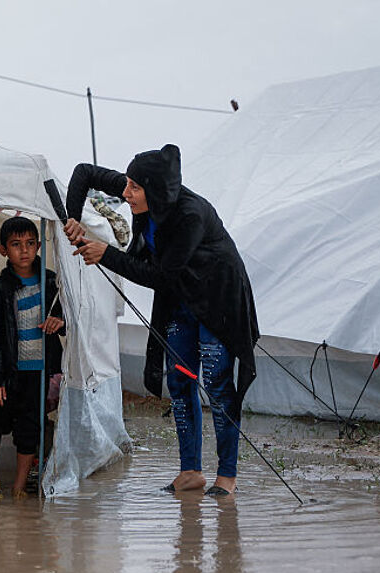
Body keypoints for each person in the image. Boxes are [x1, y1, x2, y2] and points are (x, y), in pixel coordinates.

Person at [63, 144, 259, 496]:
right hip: (180, 301)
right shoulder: (135, 188)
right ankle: (191, 471)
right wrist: (73, 216)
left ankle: (226, 476)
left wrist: (106, 254)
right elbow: (83, 172)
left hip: (217, 302)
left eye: (134, 189)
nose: (126, 193)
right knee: (181, 382)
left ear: (155, 190)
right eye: (128, 184)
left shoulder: (190, 215)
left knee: (216, 384)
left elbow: (160, 275)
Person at [0, 216, 65, 499]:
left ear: (39, 245)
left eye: (30, 244)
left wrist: (58, 320)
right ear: (3, 250)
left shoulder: (53, 283)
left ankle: (18, 486)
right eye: (16, 245)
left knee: (30, 426)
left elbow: (73, 316)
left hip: (39, 372)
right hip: (7, 372)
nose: (24, 251)